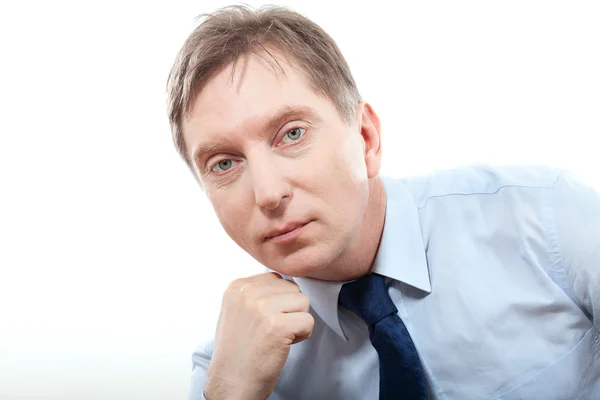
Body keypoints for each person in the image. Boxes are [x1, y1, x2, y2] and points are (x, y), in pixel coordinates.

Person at [165, 5, 600, 400]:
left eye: (292, 133)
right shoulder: (226, 372)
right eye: (224, 164)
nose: (267, 194)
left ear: (366, 138)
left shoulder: (547, 221)